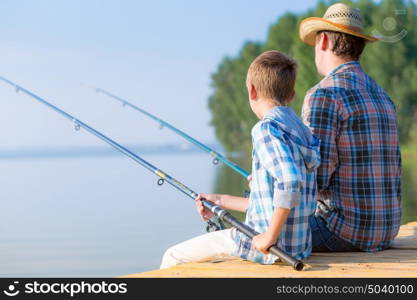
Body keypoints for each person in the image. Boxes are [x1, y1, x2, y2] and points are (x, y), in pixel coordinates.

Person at [160, 50, 320, 269]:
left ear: (252, 91)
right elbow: (284, 197)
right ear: (291, 95)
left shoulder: (266, 130)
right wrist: (220, 200)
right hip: (299, 247)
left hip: (271, 248)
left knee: (173, 256)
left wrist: (269, 236)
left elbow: (290, 182)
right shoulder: (302, 132)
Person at [299, 3, 402, 252]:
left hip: (341, 231)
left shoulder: (324, 94)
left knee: (250, 232)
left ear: (323, 40)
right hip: (386, 230)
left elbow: (317, 178)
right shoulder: (381, 95)